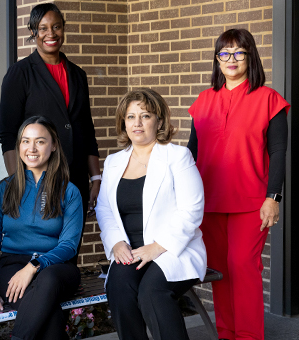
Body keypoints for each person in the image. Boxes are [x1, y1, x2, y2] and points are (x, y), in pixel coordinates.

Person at [187, 28, 289, 340]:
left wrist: (274, 196)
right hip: (210, 201)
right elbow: (191, 153)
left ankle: (248, 335)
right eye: (224, 53)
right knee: (221, 269)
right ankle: (226, 334)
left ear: (250, 56)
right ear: (217, 60)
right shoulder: (203, 101)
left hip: (251, 202)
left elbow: (278, 151)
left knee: (243, 267)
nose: (231, 59)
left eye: (239, 52)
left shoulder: (268, 99)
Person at [95, 89, 206, 340]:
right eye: (131, 116)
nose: (137, 123)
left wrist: (158, 247)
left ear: (159, 120)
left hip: (172, 249)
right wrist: (116, 242)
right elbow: (104, 208)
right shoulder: (113, 162)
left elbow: (192, 209)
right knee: (119, 286)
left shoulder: (177, 156)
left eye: (145, 115)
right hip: (130, 250)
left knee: (152, 291)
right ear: (123, 122)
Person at [0, 116, 83, 340]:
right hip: (12, 266)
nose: (32, 148)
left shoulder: (69, 191)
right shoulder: (4, 189)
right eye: (25, 141)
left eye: (40, 141)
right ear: (19, 147)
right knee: (49, 315)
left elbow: (69, 245)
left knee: (47, 281)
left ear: (54, 145)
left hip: (57, 267)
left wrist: (34, 266)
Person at [0, 3, 101, 221]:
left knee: (71, 247)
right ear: (33, 32)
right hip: (37, 179)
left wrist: (95, 178)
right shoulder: (19, 74)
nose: (51, 33)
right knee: (43, 247)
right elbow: (9, 136)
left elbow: (87, 130)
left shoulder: (78, 75)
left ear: (63, 29)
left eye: (56, 27)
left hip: (76, 180)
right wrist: (19, 182)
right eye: (43, 28)